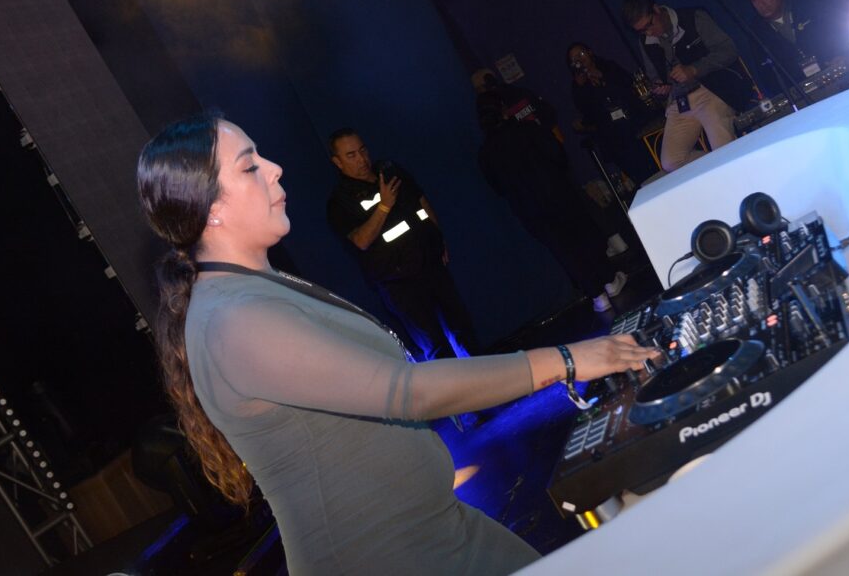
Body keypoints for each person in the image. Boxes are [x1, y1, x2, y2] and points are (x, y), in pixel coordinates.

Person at [136, 113, 658, 574]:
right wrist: (566, 359)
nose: (274, 168)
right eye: (250, 166)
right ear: (210, 208)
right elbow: (404, 391)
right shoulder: (232, 318)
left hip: (435, 531)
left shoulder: (254, 289)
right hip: (382, 558)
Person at [326, 128, 473, 362]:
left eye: (363, 150)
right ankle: (457, 385)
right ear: (337, 162)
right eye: (351, 155)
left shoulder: (390, 171)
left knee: (463, 327)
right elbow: (361, 241)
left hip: (431, 264)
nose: (361, 159)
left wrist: (438, 238)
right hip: (399, 282)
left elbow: (422, 202)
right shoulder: (340, 202)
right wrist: (384, 205)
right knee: (435, 345)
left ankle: (490, 378)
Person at [477, 91, 628, 313]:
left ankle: (597, 296)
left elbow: (498, 188)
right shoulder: (527, 130)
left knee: (565, 252)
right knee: (585, 238)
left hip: (530, 210)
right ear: (503, 109)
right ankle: (609, 280)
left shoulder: (485, 154)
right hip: (558, 194)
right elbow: (558, 155)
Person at [622, 0, 750, 172]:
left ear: (657, 9)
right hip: (680, 101)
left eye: (649, 25)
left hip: (711, 90)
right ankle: (723, 165)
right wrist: (661, 87)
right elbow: (655, 77)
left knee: (722, 146)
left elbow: (728, 50)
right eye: (642, 31)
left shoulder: (693, 17)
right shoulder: (645, 42)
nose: (648, 32)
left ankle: (732, 166)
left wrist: (694, 69)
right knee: (671, 162)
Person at [744, 0, 849, 95]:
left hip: (844, 74)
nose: (761, 4)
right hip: (805, 94)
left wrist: (845, 54)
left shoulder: (808, 2)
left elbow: (844, 26)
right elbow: (768, 77)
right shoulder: (757, 33)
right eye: (754, 0)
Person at [567, 42, 658, 184]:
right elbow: (588, 115)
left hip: (636, 127)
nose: (579, 60)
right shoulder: (578, 86)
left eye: (581, 54)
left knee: (656, 166)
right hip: (616, 140)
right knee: (643, 178)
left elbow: (628, 83)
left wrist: (603, 77)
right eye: (574, 59)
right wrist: (582, 87)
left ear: (590, 52)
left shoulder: (608, 67)